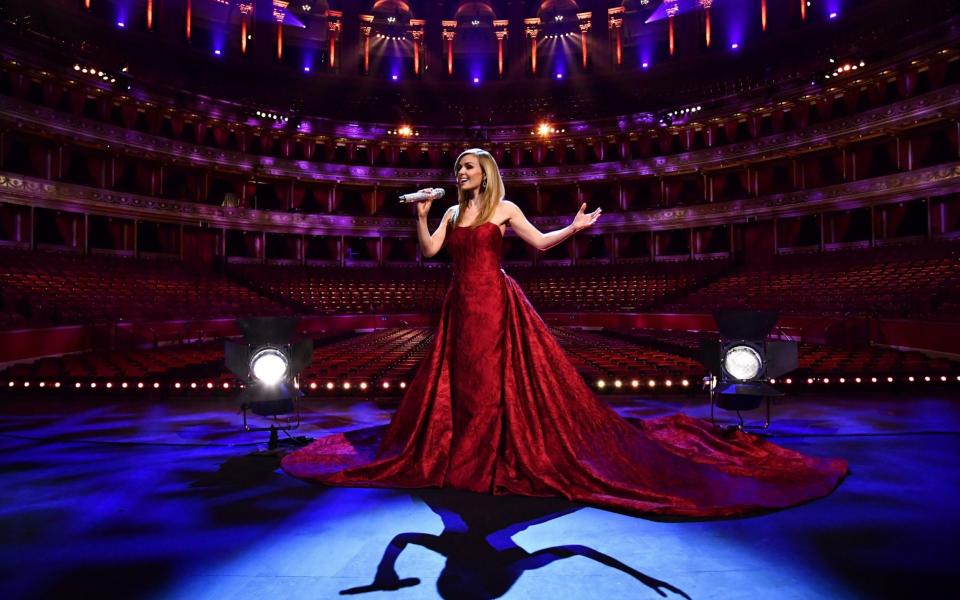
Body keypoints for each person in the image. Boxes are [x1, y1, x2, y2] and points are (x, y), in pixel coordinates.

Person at [282, 148, 847, 517]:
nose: (460, 175)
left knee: (497, 382)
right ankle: (461, 455)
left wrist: (574, 228)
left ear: (488, 174)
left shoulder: (505, 207)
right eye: (457, 169)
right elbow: (431, 253)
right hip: (461, 306)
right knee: (462, 383)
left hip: (497, 305)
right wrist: (422, 215)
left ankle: (495, 457)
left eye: (469, 168)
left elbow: (540, 244)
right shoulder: (452, 215)